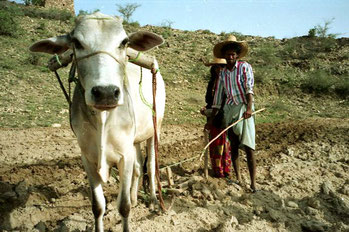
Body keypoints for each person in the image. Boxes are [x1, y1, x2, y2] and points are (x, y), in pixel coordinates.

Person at [205, 35, 258, 192]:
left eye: (233, 54)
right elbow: (217, 98)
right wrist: (211, 119)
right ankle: (239, 178)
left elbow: (249, 88)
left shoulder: (244, 67)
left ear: (237, 55)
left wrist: (249, 108)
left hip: (243, 107)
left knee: (249, 147)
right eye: (228, 55)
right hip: (229, 109)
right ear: (224, 56)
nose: (230, 57)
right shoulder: (222, 74)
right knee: (233, 145)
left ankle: (253, 183)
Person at [201, 57, 232, 178]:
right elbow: (210, 101)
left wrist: (210, 115)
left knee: (223, 143)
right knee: (214, 143)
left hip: (223, 117)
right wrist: (206, 110)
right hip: (212, 116)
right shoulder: (212, 82)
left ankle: (224, 170)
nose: (218, 69)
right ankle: (217, 169)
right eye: (216, 67)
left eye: (221, 67)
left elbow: (222, 103)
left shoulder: (227, 83)